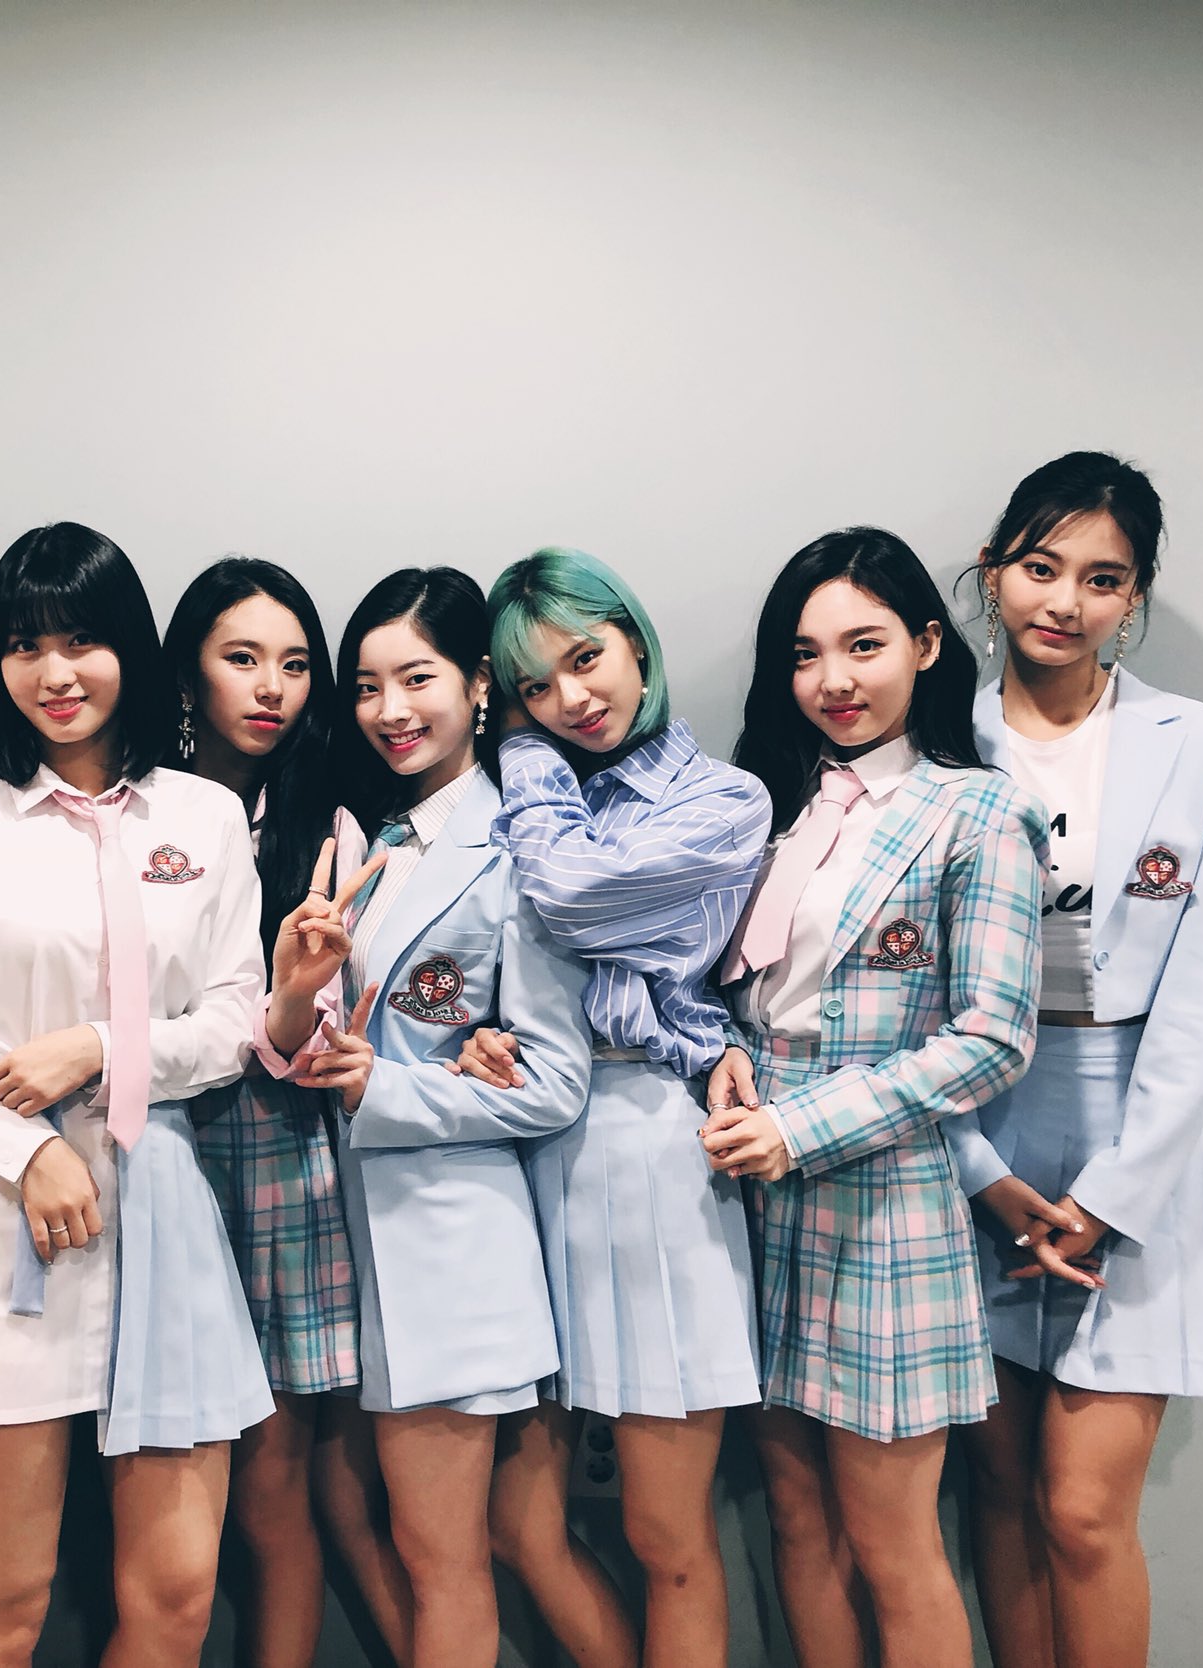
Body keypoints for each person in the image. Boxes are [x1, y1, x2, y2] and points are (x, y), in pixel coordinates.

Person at [0, 521, 271, 1668]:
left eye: (80, 640)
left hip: (162, 1218)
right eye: (23, 645)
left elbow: (232, 1023)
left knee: (177, 1602)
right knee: (1, 1609)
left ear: (128, 647)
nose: (53, 673)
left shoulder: (203, 816)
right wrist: (23, 1148)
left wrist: (95, 1046)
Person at [702, 528, 1045, 1668]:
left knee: (894, 1543)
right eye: (805, 655)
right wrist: (725, 1056)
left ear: (926, 645)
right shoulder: (774, 808)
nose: (832, 681)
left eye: (863, 645)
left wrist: (799, 1127)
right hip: (750, 1192)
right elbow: (741, 987)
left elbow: (991, 1039)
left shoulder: (976, 811)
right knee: (797, 1522)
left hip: (881, 1198)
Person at [952, 453, 1203, 1668]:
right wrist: (977, 1169)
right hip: (975, 1126)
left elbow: (1199, 997)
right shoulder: (937, 735)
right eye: (1040, 567)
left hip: (1135, 1133)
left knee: (1080, 1512)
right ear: (993, 572)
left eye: (1101, 578)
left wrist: (1111, 1195)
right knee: (996, 1496)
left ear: (1131, 597)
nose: (1064, 601)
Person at [265, 566, 593, 1668]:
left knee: (444, 1555)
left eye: (417, 679)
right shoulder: (374, 840)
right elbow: (350, 1035)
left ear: (480, 686)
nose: (389, 709)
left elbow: (555, 1080)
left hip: (453, 1243)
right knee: (398, 1533)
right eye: (366, 686)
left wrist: (387, 1087)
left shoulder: (520, 845)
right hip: (361, 1234)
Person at [456, 546, 770, 1668]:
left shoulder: (723, 799)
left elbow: (571, 895)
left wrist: (522, 754)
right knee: (515, 1526)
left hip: (648, 1151)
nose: (570, 700)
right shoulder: (506, 803)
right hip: (526, 1152)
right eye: (533, 688)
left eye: (585, 659)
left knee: (663, 1534)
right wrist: (482, 1031)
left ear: (635, 639)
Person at [163, 555, 413, 1668]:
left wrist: (295, 998)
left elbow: (330, 1040)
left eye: (296, 664)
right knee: (154, 1503)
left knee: (275, 1495)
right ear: (188, 674)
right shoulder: (139, 808)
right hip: (145, 1146)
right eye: (242, 659)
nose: (271, 687)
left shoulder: (328, 828)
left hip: (276, 1154)